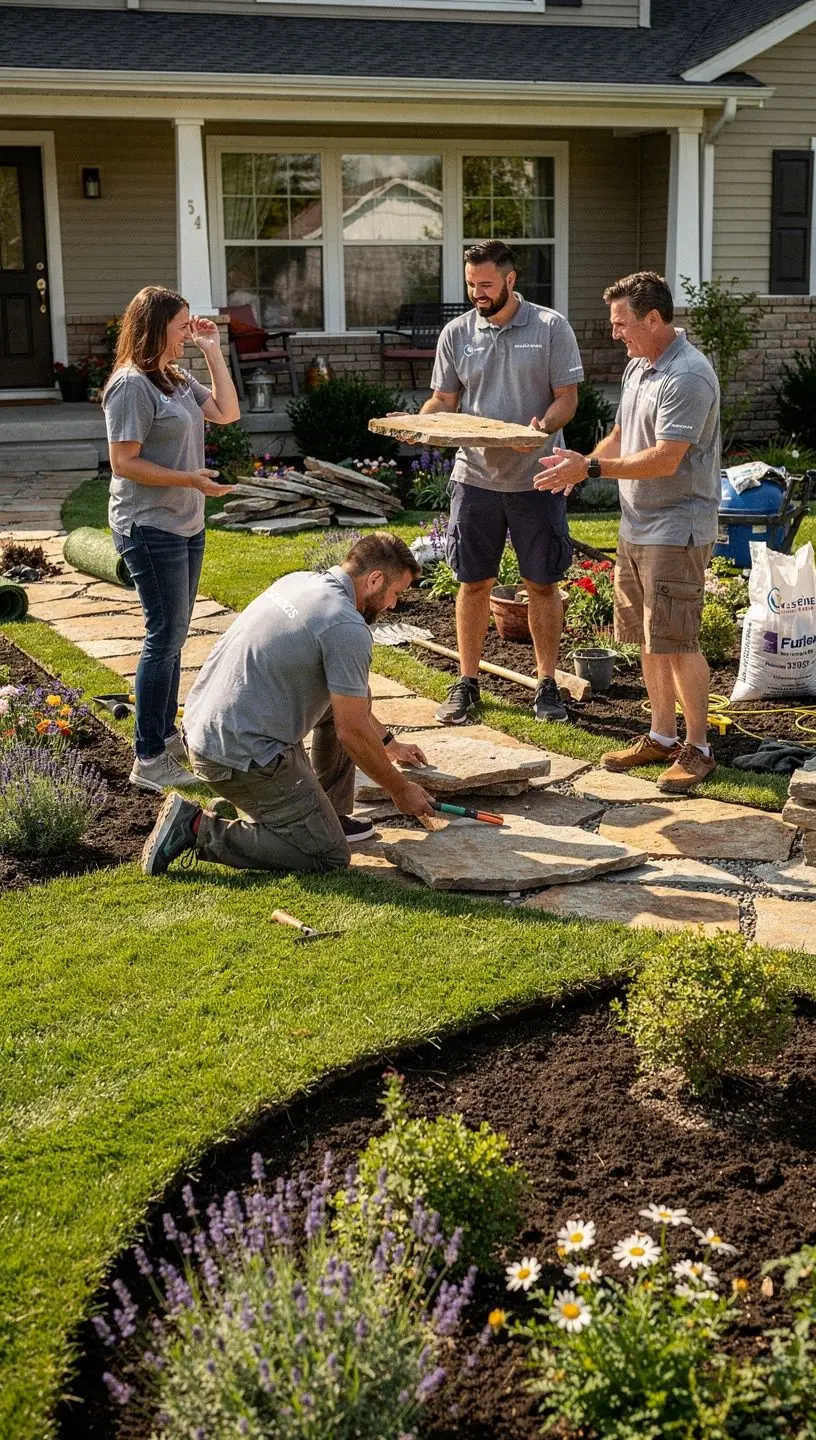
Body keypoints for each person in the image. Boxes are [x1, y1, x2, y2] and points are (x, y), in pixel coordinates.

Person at [140, 533, 437, 878]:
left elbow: (353, 709)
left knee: (346, 700)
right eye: (395, 593)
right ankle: (195, 829)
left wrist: (389, 744)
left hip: (206, 729)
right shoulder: (346, 626)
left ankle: (326, 813)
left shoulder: (299, 582)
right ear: (374, 580)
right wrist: (399, 789)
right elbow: (351, 731)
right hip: (238, 756)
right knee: (327, 854)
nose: (394, 604)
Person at [533, 270, 721, 795]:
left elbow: (665, 459)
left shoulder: (688, 375)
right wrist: (580, 463)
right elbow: (620, 435)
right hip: (638, 524)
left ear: (654, 319)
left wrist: (591, 473)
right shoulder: (640, 366)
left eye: (622, 324)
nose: (615, 333)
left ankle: (700, 748)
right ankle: (661, 735)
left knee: (677, 640)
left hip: (676, 526)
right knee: (645, 637)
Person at [417, 239, 582, 726]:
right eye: (471, 284)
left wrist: (539, 431)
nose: (477, 293)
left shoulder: (551, 327)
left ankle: (547, 685)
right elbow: (443, 401)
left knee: (542, 584)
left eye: (486, 284)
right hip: (475, 479)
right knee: (472, 583)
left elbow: (566, 398)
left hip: (538, 478)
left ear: (511, 280)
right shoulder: (457, 333)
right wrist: (415, 420)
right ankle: (467, 684)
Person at [103, 285, 240, 793]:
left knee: (175, 637)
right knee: (163, 638)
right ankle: (148, 756)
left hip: (186, 522)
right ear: (156, 326)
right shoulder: (131, 386)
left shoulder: (176, 379)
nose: (188, 332)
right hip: (148, 526)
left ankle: (163, 737)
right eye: (182, 326)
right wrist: (190, 480)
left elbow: (227, 413)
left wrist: (211, 352)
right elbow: (124, 462)